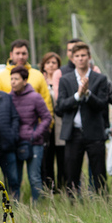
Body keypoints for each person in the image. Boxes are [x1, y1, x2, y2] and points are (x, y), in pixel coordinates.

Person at [55, 42, 110, 196]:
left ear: (89, 57)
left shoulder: (100, 79)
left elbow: (102, 105)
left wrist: (87, 94)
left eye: (83, 55)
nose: (80, 59)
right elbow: (60, 106)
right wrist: (78, 96)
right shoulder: (65, 80)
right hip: (73, 133)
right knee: (72, 173)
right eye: (77, 56)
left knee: (99, 173)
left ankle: (102, 203)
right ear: (72, 59)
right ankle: (73, 205)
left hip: (94, 132)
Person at [9, 66, 51, 202]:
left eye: (16, 79)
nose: (13, 82)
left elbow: (47, 118)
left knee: (34, 177)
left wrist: (35, 134)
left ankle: (37, 207)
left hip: (34, 144)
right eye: (11, 79)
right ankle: (14, 208)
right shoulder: (8, 98)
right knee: (15, 178)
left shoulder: (35, 97)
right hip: (15, 143)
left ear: (25, 80)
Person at [0, 40, 54, 113]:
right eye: (17, 53)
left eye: (23, 53)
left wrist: (47, 123)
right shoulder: (0, 77)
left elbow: (46, 101)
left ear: (28, 54)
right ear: (11, 55)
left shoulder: (38, 75)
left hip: (34, 123)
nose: (21, 56)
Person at [40, 52, 65, 191]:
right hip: (46, 124)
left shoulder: (63, 80)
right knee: (47, 157)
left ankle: (63, 186)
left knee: (62, 156)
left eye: (54, 63)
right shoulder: (40, 81)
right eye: (48, 62)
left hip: (60, 123)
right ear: (43, 65)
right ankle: (49, 187)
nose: (51, 65)